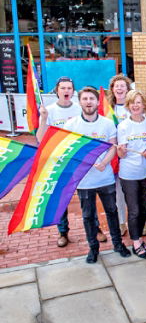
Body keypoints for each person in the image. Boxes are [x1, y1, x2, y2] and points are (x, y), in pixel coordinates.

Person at [64, 87, 131, 264]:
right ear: (80, 102)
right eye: (85, 99)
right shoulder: (71, 125)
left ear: (97, 102)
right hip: (84, 180)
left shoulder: (107, 123)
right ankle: (93, 248)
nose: (88, 102)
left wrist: (104, 163)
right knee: (87, 215)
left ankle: (118, 244)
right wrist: (85, 163)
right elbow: (69, 150)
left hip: (105, 176)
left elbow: (112, 146)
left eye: (91, 99)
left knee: (112, 211)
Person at [37, 76, 81, 247]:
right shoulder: (49, 111)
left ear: (73, 91)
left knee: (87, 197)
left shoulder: (79, 109)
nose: (66, 91)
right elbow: (40, 139)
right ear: (57, 90)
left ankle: (96, 228)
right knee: (61, 198)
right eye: (63, 88)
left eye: (69, 88)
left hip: (77, 159)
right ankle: (63, 232)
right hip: (59, 161)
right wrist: (42, 119)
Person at [117, 90, 146, 259]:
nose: (135, 105)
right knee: (134, 210)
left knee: (144, 208)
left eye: (138, 102)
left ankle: (140, 237)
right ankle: (136, 242)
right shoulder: (123, 126)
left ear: (144, 105)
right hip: (129, 174)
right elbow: (121, 154)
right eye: (132, 102)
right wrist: (120, 151)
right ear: (128, 105)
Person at [108, 73, 133, 236]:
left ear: (127, 88)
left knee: (135, 191)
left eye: (122, 85)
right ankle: (122, 222)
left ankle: (139, 221)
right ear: (112, 89)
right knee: (118, 192)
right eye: (116, 85)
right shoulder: (107, 108)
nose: (119, 88)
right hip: (114, 154)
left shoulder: (132, 106)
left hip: (132, 154)